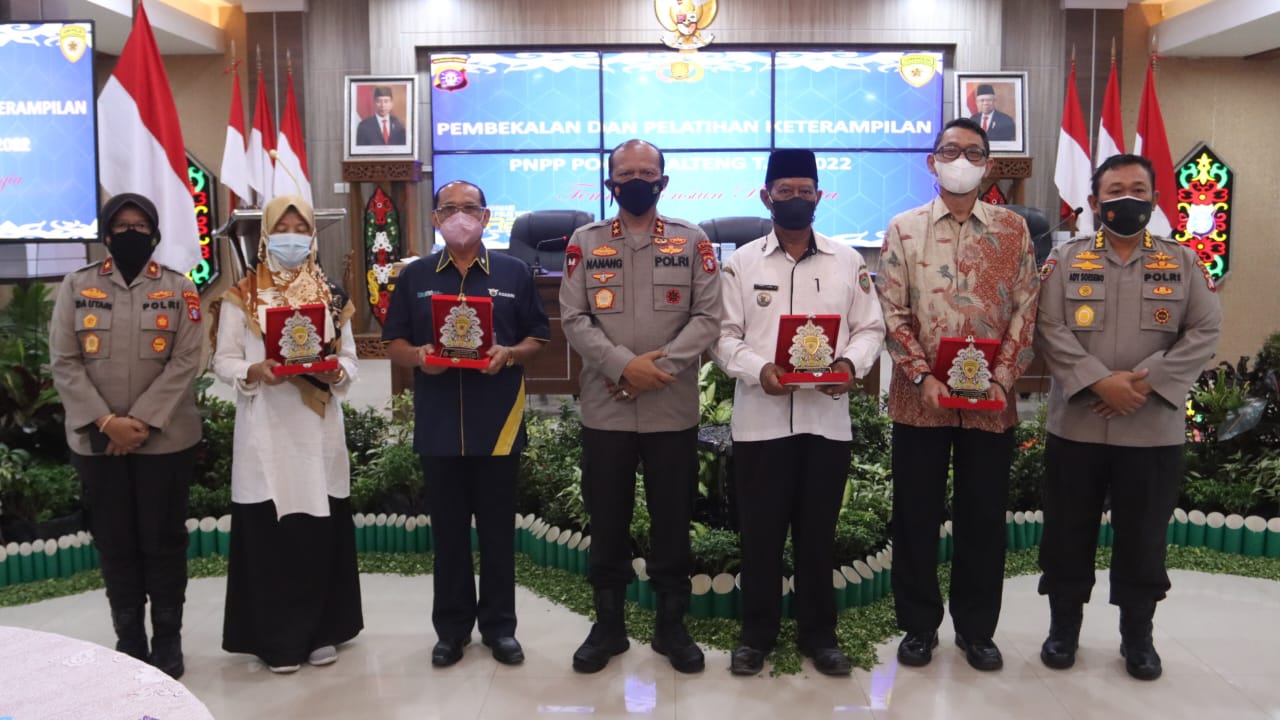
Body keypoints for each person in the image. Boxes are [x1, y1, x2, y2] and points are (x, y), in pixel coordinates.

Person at [1033, 153, 1221, 681]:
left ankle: (1138, 637)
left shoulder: (1182, 261)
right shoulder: (1065, 259)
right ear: (1094, 202)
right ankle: (1063, 629)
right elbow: (1047, 325)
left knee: (1143, 540)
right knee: (1067, 534)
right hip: (1078, 425)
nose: (1127, 200)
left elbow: (1204, 330)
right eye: (1115, 191)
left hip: (1151, 428)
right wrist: (1098, 381)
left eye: (1138, 190)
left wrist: (1144, 382)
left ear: (1155, 200)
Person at [712, 149, 885, 677]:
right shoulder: (741, 263)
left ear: (819, 196)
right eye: (784, 191)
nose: (794, 199)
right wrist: (759, 369)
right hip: (760, 423)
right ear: (766, 197)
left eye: (804, 191)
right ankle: (756, 636)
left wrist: (849, 366)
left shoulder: (847, 261)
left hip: (825, 423)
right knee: (760, 537)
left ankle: (820, 636)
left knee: (818, 537)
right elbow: (724, 337)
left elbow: (870, 328)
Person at [876, 117, 1040, 671]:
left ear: (988, 165)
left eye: (973, 152)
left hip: (992, 402)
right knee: (915, 516)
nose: (961, 160)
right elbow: (892, 310)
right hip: (919, 399)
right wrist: (922, 376)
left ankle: (976, 629)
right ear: (932, 161)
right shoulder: (904, 229)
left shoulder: (1014, 230)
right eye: (950, 150)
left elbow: (1026, 308)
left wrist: (1002, 378)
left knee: (984, 518)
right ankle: (918, 626)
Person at [559, 138, 721, 674]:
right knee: (607, 518)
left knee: (672, 518)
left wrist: (656, 370)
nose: (635, 181)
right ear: (610, 184)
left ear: (663, 182)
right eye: (625, 174)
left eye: (645, 173)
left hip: (670, 407)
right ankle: (608, 626)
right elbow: (573, 317)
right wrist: (622, 366)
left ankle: (672, 626)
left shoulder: (692, 240)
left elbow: (707, 317)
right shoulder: (585, 241)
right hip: (606, 408)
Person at [382, 180, 549, 668]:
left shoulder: (514, 272)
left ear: (486, 216)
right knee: (449, 537)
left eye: (470, 208)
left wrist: (510, 353)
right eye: (449, 208)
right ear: (435, 218)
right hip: (438, 424)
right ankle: (452, 631)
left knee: (497, 535)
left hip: (498, 422)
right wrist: (419, 357)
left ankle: (500, 629)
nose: (460, 216)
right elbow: (393, 342)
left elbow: (539, 336)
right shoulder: (414, 276)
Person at [49, 193, 203, 679]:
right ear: (106, 234)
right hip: (98, 442)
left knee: (163, 542)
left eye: (141, 226)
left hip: (166, 441)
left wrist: (140, 422)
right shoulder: (77, 285)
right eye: (122, 226)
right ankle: (129, 640)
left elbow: (187, 360)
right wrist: (106, 422)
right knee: (115, 543)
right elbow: (65, 362)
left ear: (154, 234)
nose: (131, 233)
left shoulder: (180, 288)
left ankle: (168, 640)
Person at [213, 194, 364, 673]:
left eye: (301, 229)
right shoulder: (242, 294)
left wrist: (338, 372)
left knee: (318, 528)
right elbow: (223, 360)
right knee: (271, 535)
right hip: (266, 429)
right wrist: (254, 370)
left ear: (313, 236)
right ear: (266, 235)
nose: (292, 238)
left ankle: (322, 632)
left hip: (317, 429)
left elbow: (350, 358)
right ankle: (277, 639)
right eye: (283, 228)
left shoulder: (330, 294)